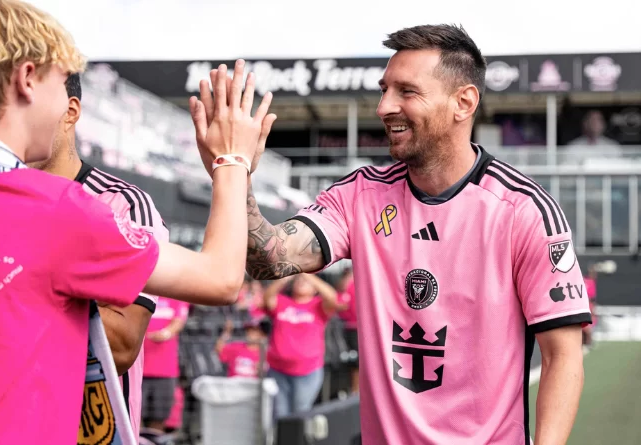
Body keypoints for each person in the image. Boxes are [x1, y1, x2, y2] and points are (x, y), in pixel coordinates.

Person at [0, 1, 273, 444]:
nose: (68, 107)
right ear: (27, 79)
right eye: (60, 81)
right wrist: (231, 159)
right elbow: (222, 279)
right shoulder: (58, 210)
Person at [193, 24, 592, 444]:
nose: (384, 107)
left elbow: (563, 358)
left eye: (407, 91)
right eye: (385, 90)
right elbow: (268, 258)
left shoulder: (524, 210)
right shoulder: (359, 195)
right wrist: (233, 169)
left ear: (463, 102)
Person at [27, 72, 165, 443]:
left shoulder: (123, 204)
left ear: (70, 112)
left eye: (32, 101)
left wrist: (14, 292)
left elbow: (120, 345)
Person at [262, 273, 339, 418]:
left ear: (315, 288)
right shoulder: (282, 302)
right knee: (279, 414)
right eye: (298, 280)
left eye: (306, 281)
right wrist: (287, 275)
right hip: (277, 370)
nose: (301, 282)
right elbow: (267, 298)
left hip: (307, 371)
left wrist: (306, 273)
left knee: (300, 414)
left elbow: (332, 297)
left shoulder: (318, 305)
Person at [141, 297, 188, 433]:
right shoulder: (140, 293)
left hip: (165, 370)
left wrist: (165, 334)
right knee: (133, 415)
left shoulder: (176, 297)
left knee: (159, 418)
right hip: (136, 369)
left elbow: (179, 321)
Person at [335, 268, 359, 394]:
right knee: (353, 361)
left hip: (360, 329)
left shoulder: (358, 284)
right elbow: (340, 305)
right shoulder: (346, 287)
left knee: (359, 362)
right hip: (348, 328)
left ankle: (357, 390)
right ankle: (354, 391)